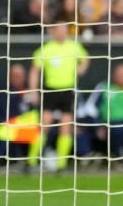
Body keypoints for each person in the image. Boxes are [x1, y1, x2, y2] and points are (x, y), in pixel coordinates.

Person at [28, 22, 90, 171]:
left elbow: (86, 59)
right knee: (44, 125)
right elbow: (34, 70)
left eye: (65, 30)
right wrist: (33, 90)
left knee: (65, 127)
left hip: (68, 90)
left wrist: (81, 69)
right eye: (60, 30)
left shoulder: (74, 47)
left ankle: (61, 164)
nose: (63, 33)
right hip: (50, 90)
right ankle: (31, 161)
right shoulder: (46, 49)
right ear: (53, 32)